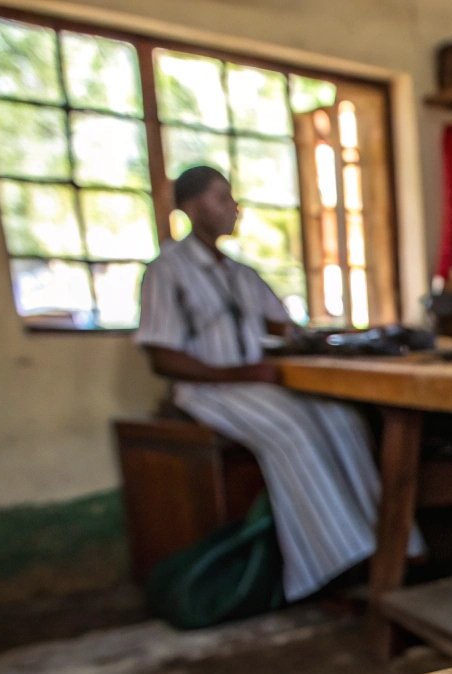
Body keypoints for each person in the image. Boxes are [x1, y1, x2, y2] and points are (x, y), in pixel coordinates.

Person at [136, 165, 421, 601]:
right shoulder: (167, 271)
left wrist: (342, 339)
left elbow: (285, 330)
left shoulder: (241, 275)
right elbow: (162, 356)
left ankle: (390, 544)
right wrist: (238, 374)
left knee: (344, 418)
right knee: (291, 430)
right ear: (192, 208)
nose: (233, 207)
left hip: (256, 385)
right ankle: (335, 565)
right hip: (208, 390)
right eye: (220, 198)